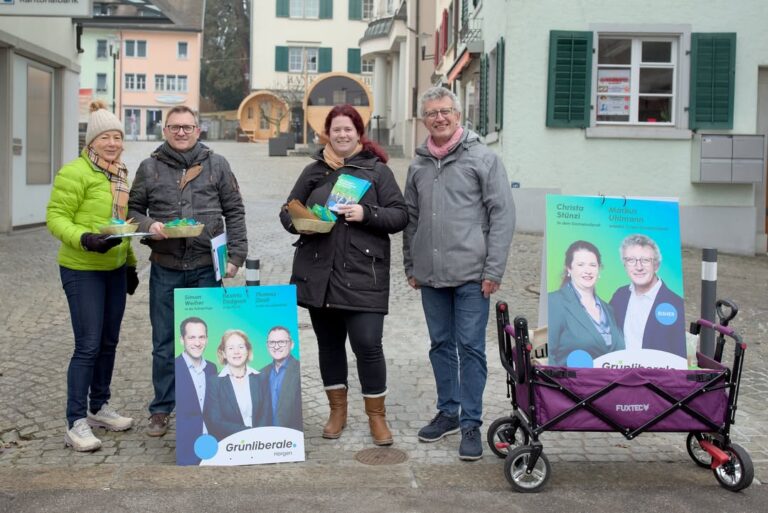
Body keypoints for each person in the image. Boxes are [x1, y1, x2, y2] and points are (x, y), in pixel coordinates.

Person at [279, 104, 407, 446]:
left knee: (368, 345)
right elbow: (288, 211)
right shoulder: (312, 171)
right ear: (327, 133)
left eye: (348, 129)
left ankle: (376, 417)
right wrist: (302, 222)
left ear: (359, 133)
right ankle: (337, 411)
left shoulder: (377, 172)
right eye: (336, 129)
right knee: (330, 346)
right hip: (320, 274)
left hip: (364, 274)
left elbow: (400, 216)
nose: (342, 134)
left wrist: (366, 213)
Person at [403, 86, 515, 461]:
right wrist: (411, 264)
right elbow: (411, 219)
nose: (440, 118)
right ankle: (448, 412)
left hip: (472, 275)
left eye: (446, 111)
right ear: (424, 119)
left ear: (458, 115)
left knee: (470, 347)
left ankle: (470, 423)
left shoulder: (483, 158)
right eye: (432, 113)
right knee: (439, 345)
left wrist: (493, 269)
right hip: (431, 276)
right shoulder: (418, 164)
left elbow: (502, 215)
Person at [128, 105, 248, 437]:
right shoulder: (149, 167)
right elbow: (133, 210)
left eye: (188, 127)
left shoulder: (217, 164)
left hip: (205, 267)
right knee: (164, 343)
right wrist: (149, 223)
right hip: (166, 267)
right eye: (175, 127)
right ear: (165, 130)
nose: (181, 132)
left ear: (198, 130)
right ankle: (162, 408)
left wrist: (236, 255)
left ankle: (209, 406)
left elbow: (234, 210)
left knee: (207, 342)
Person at [46, 100, 139, 452]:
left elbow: (122, 224)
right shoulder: (75, 172)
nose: (113, 143)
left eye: (117, 137)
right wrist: (84, 239)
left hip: (113, 269)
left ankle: (99, 407)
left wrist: (129, 262)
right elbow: (56, 217)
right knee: (87, 345)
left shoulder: (120, 175)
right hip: (82, 268)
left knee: (108, 342)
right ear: (91, 142)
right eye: (106, 138)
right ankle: (75, 422)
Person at [548, 240, 625, 366]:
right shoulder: (555, 302)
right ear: (569, 268)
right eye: (581, 264)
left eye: (592, 265)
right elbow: (548, 355)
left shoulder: (609, 309)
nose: (588, 270)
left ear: (599, 269)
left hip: (609, 384)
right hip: (570, 384)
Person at [609, 234, 687, 358]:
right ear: (625, 265)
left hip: (656, 375)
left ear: (656, 265)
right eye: (631, 260)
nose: (638, 267)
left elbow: (679, 356)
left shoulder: (676, 304)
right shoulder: (619, 295)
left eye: (645, 260)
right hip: (620, 372)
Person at [203, 330, 267, 441]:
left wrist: (259, 436)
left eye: (241, 347)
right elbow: (215, 420)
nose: (236, 352)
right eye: (231, 348)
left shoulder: (261, 378)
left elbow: (267, 413)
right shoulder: (214, 382)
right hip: (231, 444)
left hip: (261, 441)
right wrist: (249, 433)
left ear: (248, 350)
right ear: (223, 353)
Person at [174, 317, 217, 465]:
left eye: (202, 337)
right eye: (191, 337)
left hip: (212, 443)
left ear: (207, 339)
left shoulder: (212, 368)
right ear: (182, 339)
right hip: (187, 446)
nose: (198, 343)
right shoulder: (175, 367)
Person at [258, 326, 303, 431]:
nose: (276, 346)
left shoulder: (299, 370)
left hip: (291, 435)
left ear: (291, 344)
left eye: (282, 342)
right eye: (272, 342)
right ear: (267, 345)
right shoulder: (261, 373)